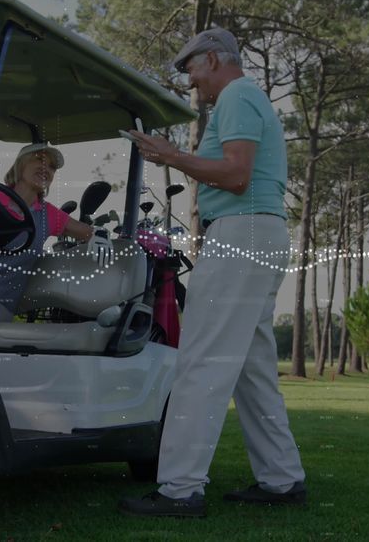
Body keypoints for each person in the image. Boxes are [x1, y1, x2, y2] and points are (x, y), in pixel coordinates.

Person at [118, 28, 306, 518]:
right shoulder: (248, 98)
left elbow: (236, 174)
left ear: (216, 58)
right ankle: (282, 479)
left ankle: (179, 489)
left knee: (200, 361)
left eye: (190, 67)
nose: (189, 79)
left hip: (241, 234)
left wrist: (170, 155)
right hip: (261, 235)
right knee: (252, 369)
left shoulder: (238, 95)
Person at [0, 143, 111, 329]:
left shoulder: (48, 214)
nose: (45, 168)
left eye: (51, 166)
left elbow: (89, 232)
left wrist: (101, 235)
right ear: (21, 165)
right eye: (39, 160)